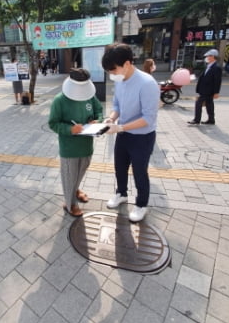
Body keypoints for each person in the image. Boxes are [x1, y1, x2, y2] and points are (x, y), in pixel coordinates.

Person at [101, 43, 160, 222]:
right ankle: (121, 194)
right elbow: (117, 105)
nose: (112, 74)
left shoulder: (147, 83)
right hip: (123, 133)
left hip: (142, 137)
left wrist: (120, 127)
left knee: (139, 171)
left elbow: (148, 118)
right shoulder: (121, 81)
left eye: (114, 70)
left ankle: (141, 205)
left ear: (127, 64)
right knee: (120, 167)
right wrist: (111, 119)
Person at [48, 68, 103, 217]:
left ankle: (75, 189)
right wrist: (70, 129)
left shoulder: (89, 96)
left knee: (80, 172)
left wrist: (98, 120)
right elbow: (53, 123)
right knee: (69, 175)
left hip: (86, 145)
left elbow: (99, 109)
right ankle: (70, 204)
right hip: (69, 148)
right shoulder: (60, 100)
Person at [188, 49, 222, 125]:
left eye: (208, 56)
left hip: (208, 91)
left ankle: (196, 120)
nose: (206, 58)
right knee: (209, 105)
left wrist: (216, 92)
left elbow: (217, 81)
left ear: (212, 57)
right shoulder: (208, 66)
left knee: (198, 104)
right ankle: (211, 120)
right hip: (204, 90)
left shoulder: (216, 67)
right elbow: (203, 77)